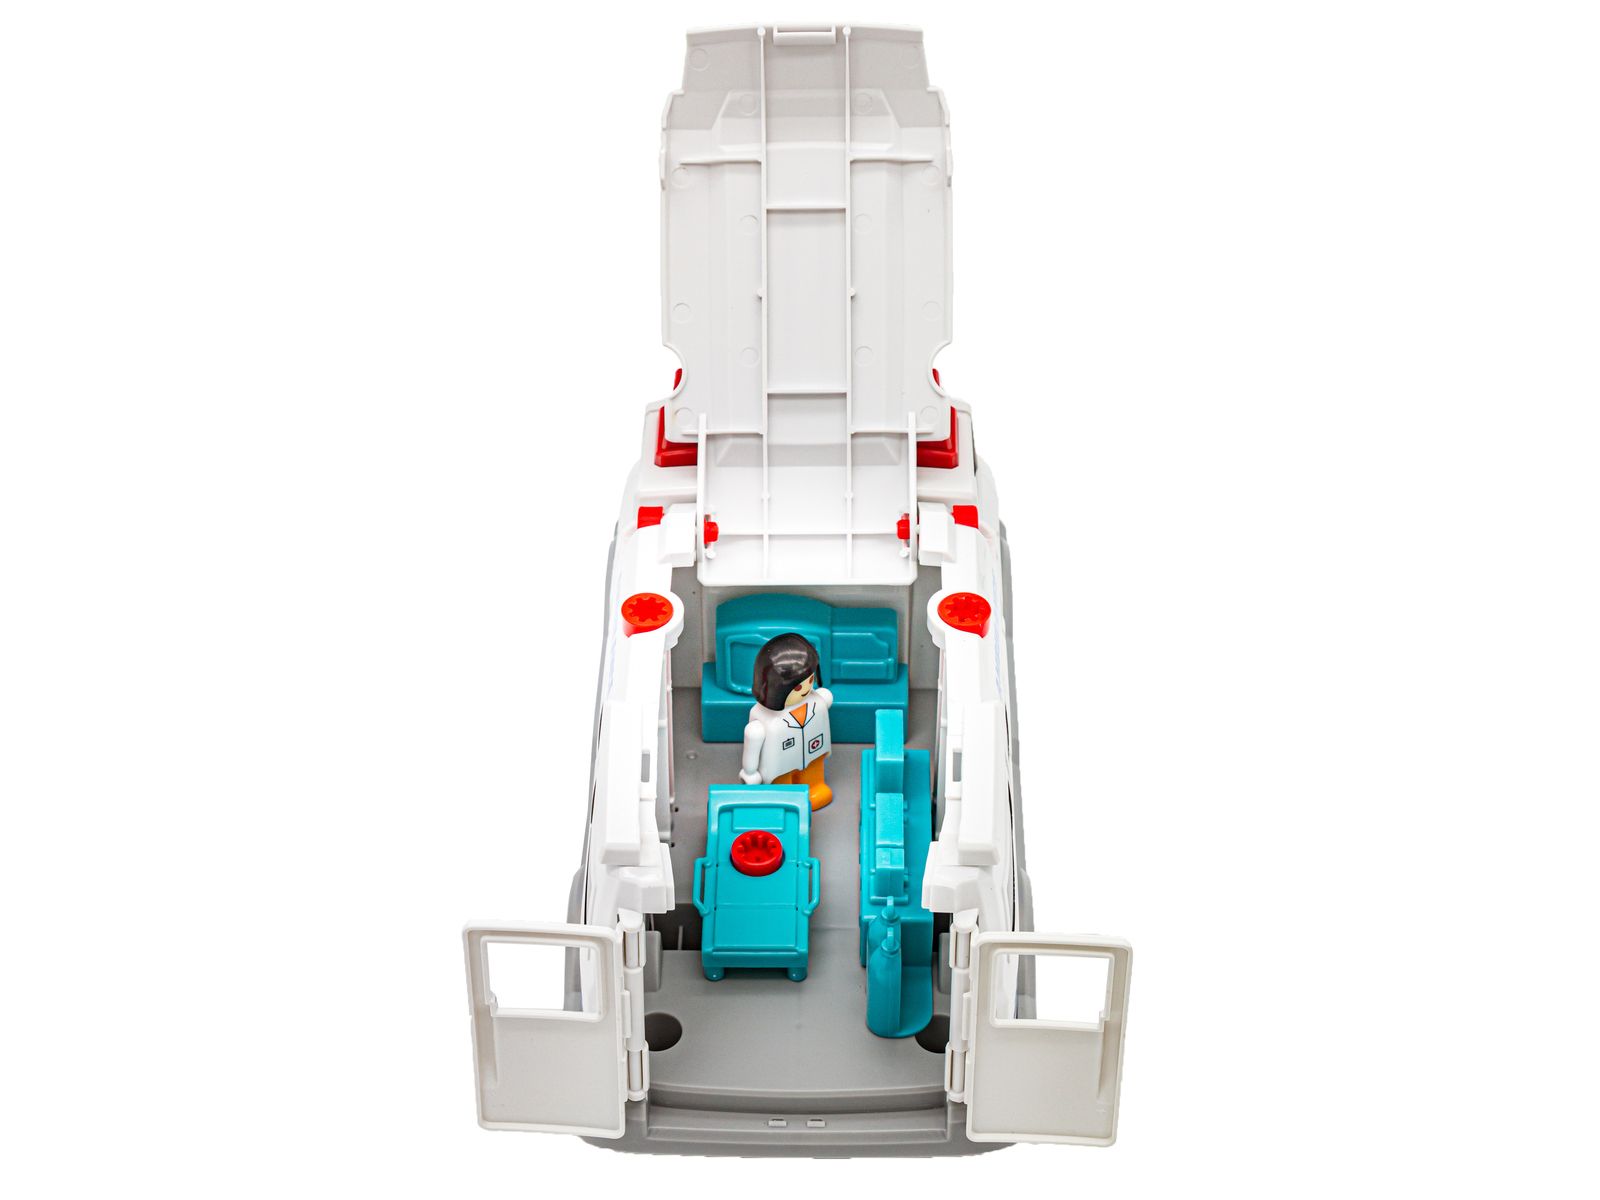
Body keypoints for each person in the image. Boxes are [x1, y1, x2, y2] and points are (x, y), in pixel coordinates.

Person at [739, 633, 834, 810]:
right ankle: (786, 800)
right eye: (798, 687)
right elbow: (753, 741)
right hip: (781, 767)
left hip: (813, 755)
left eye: (810, 680)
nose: (806, 689)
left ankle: (815, 789)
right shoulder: (765, 720)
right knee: (783, 782)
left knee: (813, 773)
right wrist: (750, 771)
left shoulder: (817, 703)